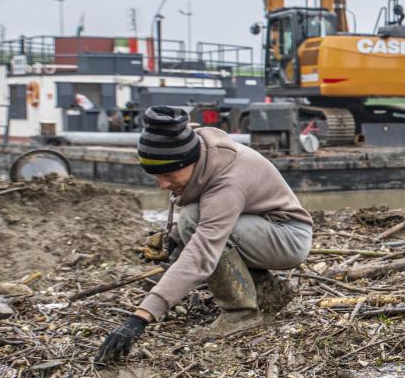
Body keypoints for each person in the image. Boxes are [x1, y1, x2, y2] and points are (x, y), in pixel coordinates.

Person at [96, 106, 313, 363]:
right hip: (259, 227)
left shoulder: (227, 183)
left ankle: (240, 314)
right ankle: (263, 289)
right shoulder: (200, 153)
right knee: (191, 219)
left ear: (189, 162)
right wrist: (174, 239)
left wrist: (141, 317)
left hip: (287, 237)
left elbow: (203, 251)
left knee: (196, 223)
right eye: (156, 177)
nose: (163, 184)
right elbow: (201, 212)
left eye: (168, 175)